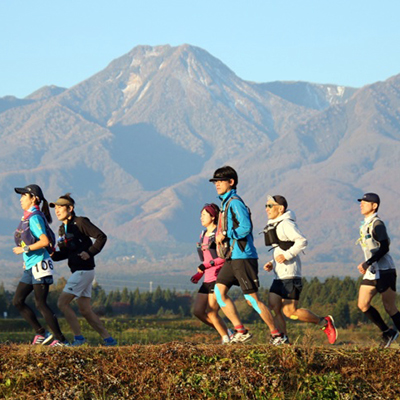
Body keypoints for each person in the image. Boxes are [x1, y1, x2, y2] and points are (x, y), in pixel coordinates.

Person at [210, 166, 284, 344]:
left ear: (231, 182)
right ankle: (240, 331)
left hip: (243, 256)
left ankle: (278, 335)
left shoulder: (235, 202)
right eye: (215, 182)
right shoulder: (225, 203)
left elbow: (245, 228)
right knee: (219, 294)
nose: (217, 184)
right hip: (232, 257)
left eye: (220, 181)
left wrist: (226, 234)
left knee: (251, 299)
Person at [262, 195, 337, 344]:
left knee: (290, 311)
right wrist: (272, 262)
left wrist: (287, 255)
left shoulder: (286, 224)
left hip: (290, 274)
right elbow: (281, 248)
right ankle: (282, 339)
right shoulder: (275, 224)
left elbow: (302, 241)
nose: (267, 209)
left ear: (281, 208)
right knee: (273, 306)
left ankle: (324, 322)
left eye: (270, 206)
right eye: (266, 205)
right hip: (279, 275)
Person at [50, 193, 117, 346]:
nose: (57, 210)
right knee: (85, 310)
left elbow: (101, 236)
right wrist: (52, 254)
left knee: (62, 303)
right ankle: (109, 340)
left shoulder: (80, 222)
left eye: (61, 207)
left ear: (71, 208)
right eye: (56, 208)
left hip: (83, 271)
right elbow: (66, 253)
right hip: (81, 272)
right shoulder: (62, 229)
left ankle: (78, 339)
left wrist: (90, 252)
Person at [12, 184, 68, 346]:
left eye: (24, 196)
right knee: (17, 301)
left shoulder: (35, 217)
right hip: (31, 267)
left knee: (40, 303)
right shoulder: (28, 216)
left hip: (40, 265)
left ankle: (60, 340)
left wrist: (25, 249)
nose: (21, 199)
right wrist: (26, 259)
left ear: (34, 198)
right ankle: (42, 333)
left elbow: (44, 241)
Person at [356, 192, 400, 348]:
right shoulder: (365, 224)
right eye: (361, 202)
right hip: (373, 270)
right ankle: (388, 332)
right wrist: (369, 264)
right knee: (362, 304)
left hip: (386, 270)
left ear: (374, 206)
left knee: (390, 307)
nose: (361, 204)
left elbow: (385, 247)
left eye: (365, 202)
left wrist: (367, 262)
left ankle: (394, 332)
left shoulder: (377, 224)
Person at [190, 203, 232, 344]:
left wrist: (207, 265)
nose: (201, 218)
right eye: (200, 215)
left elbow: (223, 257)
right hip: (206, 279)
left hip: (217, 278)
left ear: (213, 217)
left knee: (211, 312)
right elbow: (205, 259)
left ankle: (226, 338)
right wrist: (199, 274)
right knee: (198, 311)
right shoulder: (203, 235)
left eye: (204, 215)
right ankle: (227, 332)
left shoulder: (218, 235)